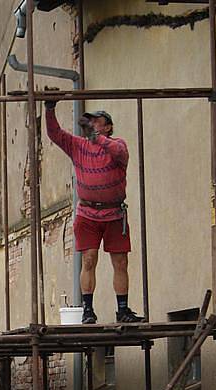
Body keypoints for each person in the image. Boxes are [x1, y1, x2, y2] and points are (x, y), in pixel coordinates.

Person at [44, 101, 144, 324]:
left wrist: (94, 137)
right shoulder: (78, 145)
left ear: (108, 127)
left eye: (97, 122)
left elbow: (117, 151)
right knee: (88, 259)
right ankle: (88, 310)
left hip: (115, 214)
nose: (92, 125)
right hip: (88, 213)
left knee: (120, 262)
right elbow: (54, 134)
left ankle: (123, 310)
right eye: (89, 122)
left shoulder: (118, 146)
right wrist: (49, 110)